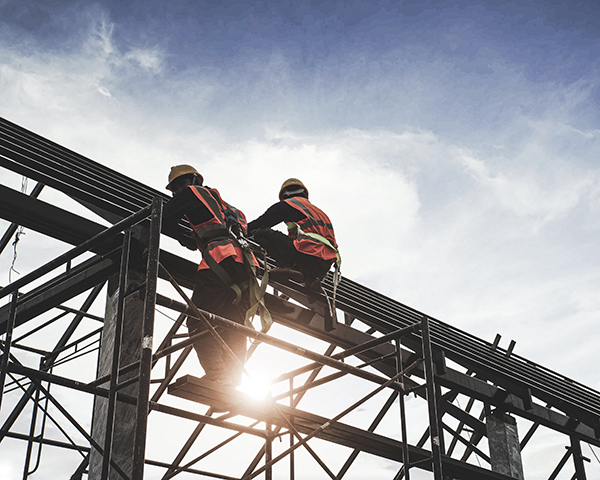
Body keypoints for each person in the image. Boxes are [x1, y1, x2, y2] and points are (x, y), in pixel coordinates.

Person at [162, 165, 251, 387]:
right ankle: (232, 379)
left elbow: (163, 219)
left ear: (194, 180)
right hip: (246, 267)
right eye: (178, 186)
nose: (181, 189)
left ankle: (218, 375)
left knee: (199, 318)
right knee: (234, 323)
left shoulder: (190, 194)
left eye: (182, 184)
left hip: (218, 259)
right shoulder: (232, 209)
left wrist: (187, 240)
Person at [247, 178, 340, 290]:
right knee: (295, 246)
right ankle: (309, 278)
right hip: (324, 265)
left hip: (307, 252)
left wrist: (236, 230)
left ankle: (288, 267)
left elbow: (260, 223)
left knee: (260, 233)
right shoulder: (318, 212)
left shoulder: (288, 205)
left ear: (284, 196)